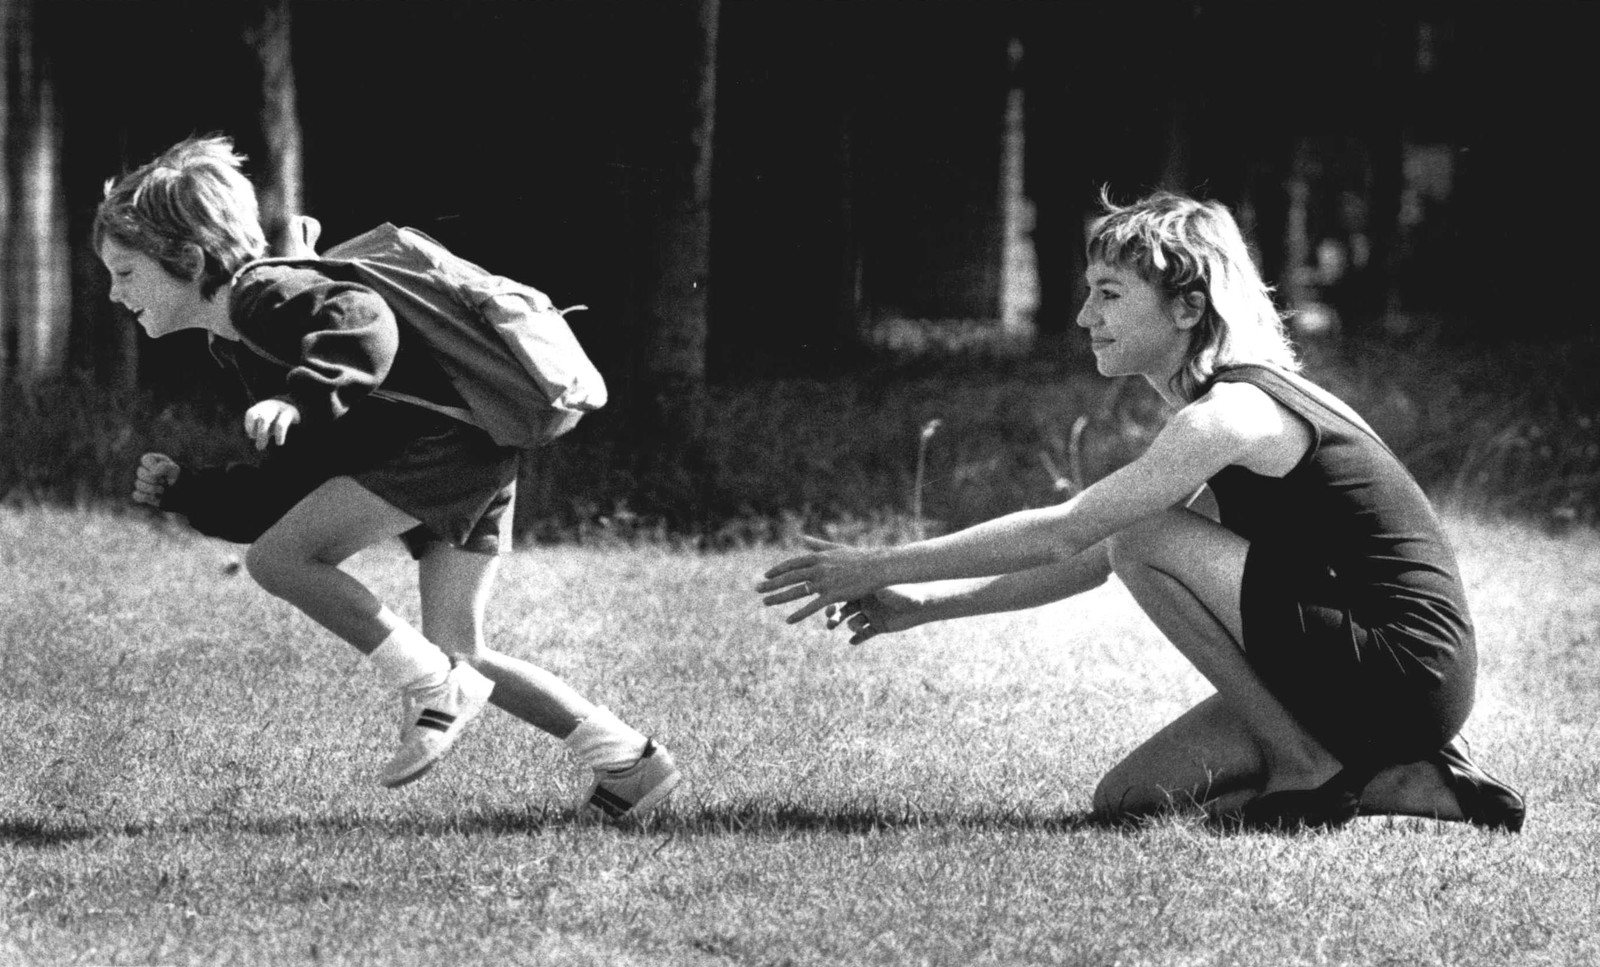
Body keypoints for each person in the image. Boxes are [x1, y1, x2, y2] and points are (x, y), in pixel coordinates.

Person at [758, 189, 1524, 832]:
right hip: (1384, 681)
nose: (1086, 314)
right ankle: (1406, 777)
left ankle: (1305, 764)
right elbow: (1092, 561)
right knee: (1124, 800)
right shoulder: (1223, 410)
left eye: (1111, 294)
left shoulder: (1231, 413)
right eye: (1091, 290)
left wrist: (869, 563)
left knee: (1144, 531)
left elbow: (1077, 528)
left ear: (1188, 306)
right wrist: (921, 604)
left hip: (1402, 667)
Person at [96, 135, 680, 820]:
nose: (113, 293)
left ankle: (434, 688)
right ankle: (630, 761)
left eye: (126, 272)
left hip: (443, 449)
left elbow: (362, 320)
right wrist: (194, 493)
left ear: (188, 260)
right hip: (476, 448)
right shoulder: (238, 335)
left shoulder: (260, 294)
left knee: (282, 561)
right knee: (462, 650)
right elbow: (295, 479)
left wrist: (299, 396)